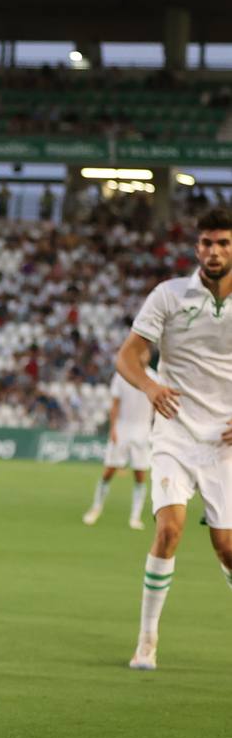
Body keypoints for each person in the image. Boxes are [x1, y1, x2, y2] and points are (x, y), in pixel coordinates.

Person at [114, 206, 232, 671]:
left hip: (223, 441)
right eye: (206, 242)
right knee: (170, 529)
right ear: (196, 247)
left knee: (225, 546)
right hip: (174, 432)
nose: (214, 251)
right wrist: (150, 385)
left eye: (223, 242)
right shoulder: (168, 295)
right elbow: (128, 356)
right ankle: (147, 641)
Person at [81, 369, 154, 530]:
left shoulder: (154, 377)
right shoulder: (122, 375)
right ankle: (95, 508)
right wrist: (113, 428)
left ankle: (135, 517)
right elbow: (115, 404)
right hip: (122, 428)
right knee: (108, 471)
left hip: (143, 430)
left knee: (140, 475)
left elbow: (156, 405)